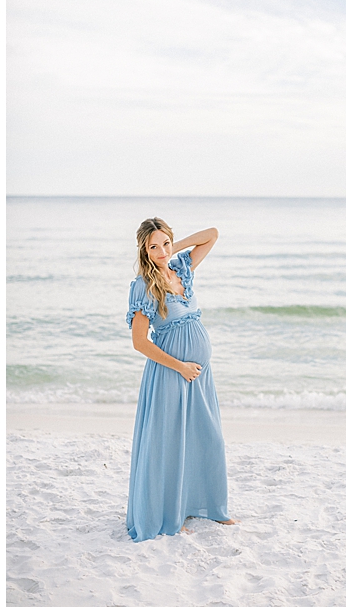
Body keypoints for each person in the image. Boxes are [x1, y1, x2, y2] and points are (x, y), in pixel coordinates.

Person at [126, 218, 236, 542]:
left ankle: (208, 507)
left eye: (165, 244)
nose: (161, 252)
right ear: (144, 251)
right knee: (170, 445)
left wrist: (175, 247)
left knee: (206, 437)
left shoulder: (182, 269)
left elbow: (212, 234)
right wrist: (180, 366)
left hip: (199, 376)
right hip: (171, 374)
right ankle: (169, 516)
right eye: (153, 247)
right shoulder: (143, 285)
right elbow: (140, 342)